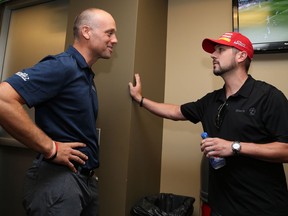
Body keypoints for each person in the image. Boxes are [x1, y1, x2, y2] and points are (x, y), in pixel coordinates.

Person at [128, 32, 288, 216]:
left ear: (241, 56)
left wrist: (234, 147)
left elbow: (285, 150)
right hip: (220, 207)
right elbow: (175, 112)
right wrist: (140, 100)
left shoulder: (268, 97)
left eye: (220, 50)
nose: (213, 55)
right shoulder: (212, 100)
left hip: (262, 208)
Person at [0, 8, 117, 216]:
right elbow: (3, 99)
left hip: (84, 181)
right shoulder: (63, 66)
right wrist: (51, 148)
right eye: (109, 33)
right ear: (87, 32)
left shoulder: (85, 75)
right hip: (59, 181)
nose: (115, 40)